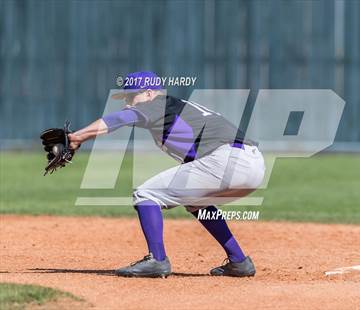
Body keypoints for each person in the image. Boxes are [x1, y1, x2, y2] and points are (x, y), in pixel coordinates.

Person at [68, 71, 265, 278]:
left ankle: (157, 260)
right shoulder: (172, 109)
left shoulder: (157, 104)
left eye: (131, 97)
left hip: (227, 161)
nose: (127, 103)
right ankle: (239, 261)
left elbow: (120, 118)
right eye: (125, 98)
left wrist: (77, 137)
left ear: (150, 93)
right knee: (197, 202)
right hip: (251, 164)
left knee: (146, 194)